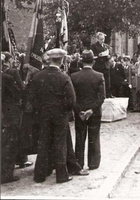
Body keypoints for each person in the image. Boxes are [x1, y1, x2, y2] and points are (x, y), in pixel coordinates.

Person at [29, 48, 75, 183]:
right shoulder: (64, 77)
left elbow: (32, 98)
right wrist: (64, 110)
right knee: (60, 144)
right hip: (60, 115)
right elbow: (71, 100)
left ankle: (39, 175)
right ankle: (61, 175)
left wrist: (42, 110)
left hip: (43, 114)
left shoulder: (37, 76)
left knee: (43, 143)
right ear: (61, 60)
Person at [71, 49, 106, 170]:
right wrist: (92, 110)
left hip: (80, 113)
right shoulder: (99, 76)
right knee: (94, 137)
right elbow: (102, 97)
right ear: (93, 62)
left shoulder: (74, 77)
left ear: (81, 62)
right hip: (94, 113)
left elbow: (72, 97)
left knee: (80, 137)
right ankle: (93, 163)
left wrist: (79, 110)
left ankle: (79, 162)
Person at [1, 59, 22, 184]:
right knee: (9, 143)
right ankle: (6, 174)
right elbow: (17, 93)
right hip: (9, 114)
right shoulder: (6, 78)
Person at [91, 32, 111, 97]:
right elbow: (93, 55)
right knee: (98, 80)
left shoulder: (106, 46)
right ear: (97, 39)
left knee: (107, 80)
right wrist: (99, 55)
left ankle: (108, 94)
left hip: (105, 65)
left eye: (103, 39)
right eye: (101, 39)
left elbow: (109, 54)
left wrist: (108, 56)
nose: (103, 40)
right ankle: (98, 94)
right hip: (98, 65)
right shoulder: (94, 46)